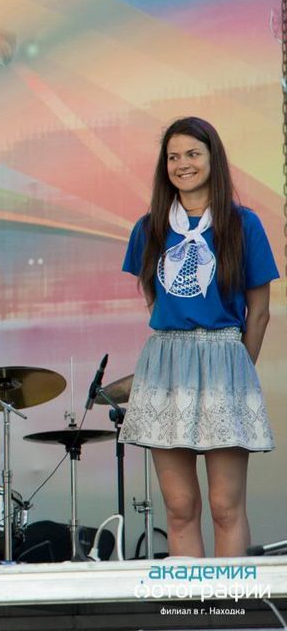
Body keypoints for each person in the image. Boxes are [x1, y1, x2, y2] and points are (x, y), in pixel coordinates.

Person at [119, 116, 278, 557]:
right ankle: (188, 601)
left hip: (225, 356)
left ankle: (229, 600)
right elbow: (154, 298)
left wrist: (238, 369)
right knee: (179, 507)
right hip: (167, 362)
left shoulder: (243, 225)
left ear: (213, 159)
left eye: (192, 154)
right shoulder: (149, 227)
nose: (182, 164)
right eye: (173, 157)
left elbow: (260, 313)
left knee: (225, 506)